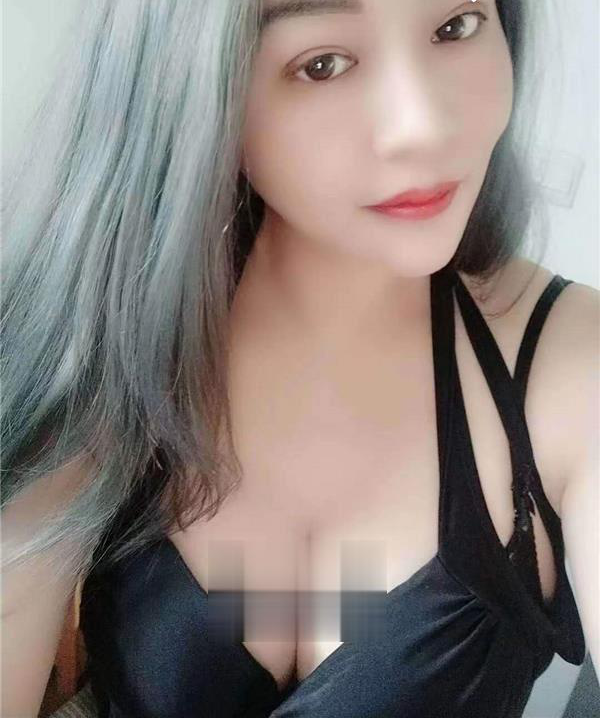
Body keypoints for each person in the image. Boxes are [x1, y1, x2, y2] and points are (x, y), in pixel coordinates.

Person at [2, 1, 598, 716]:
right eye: (322, 64)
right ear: (189, 89)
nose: (426, 126)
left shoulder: (570, 364)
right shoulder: (102, 347)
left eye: (455, 26)